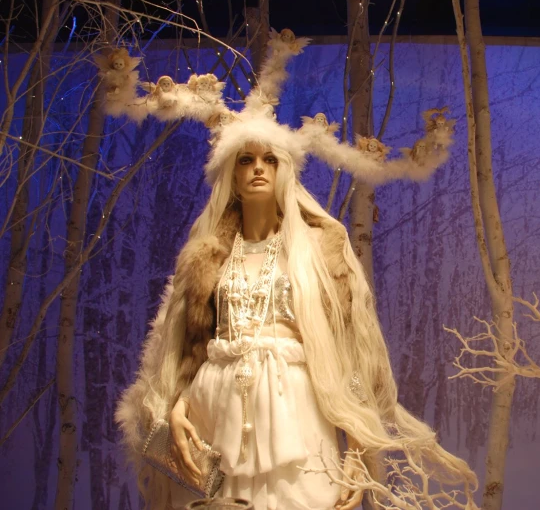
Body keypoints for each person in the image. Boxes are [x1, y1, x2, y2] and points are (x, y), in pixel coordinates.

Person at [116, 111, 477, 510]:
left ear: (285, 170)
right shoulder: (206, 255)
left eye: (269, 160)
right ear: (231, 174)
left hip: (295, 409)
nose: (258, 169)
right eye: (246, 160)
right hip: (212, 410)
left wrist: (356, 452)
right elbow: (193, 347)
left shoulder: (320, 247)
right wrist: (179, 406)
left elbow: (348, 351)